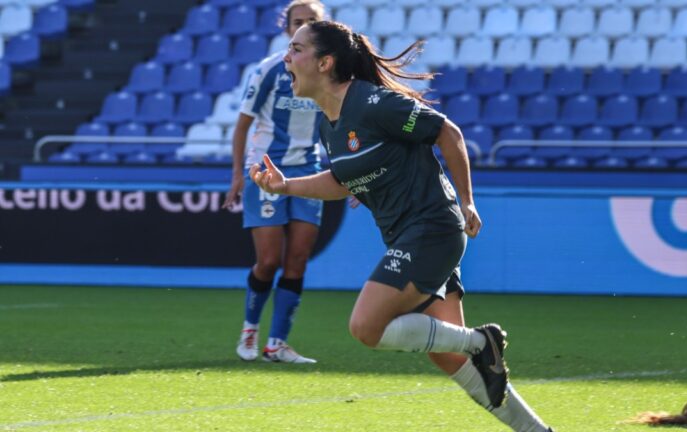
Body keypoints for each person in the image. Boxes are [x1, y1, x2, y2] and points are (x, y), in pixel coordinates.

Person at [249, 20, 554, 431]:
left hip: (432, 228)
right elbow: (340, 181)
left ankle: (483, 342)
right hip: (412, 236)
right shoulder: (328, 123)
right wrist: (285, 185)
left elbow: (447, 132)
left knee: (366, 327)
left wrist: (467, 202)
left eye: (296, 49)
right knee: (447, 355)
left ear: (325, 62)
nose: (287, 57)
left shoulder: (373, 103)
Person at [223, 0, 326, 364]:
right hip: (266, 173)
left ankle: (277, 343)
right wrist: (238, 174)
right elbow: (242, 125)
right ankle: (250, 329)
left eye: (311, 22)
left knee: (297, 259)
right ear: (287, 28)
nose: (303, 27)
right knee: (268, 261)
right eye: (298, 22)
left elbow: (336, 127)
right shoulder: (269, 70)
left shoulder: (329, 73)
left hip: (309, 171)